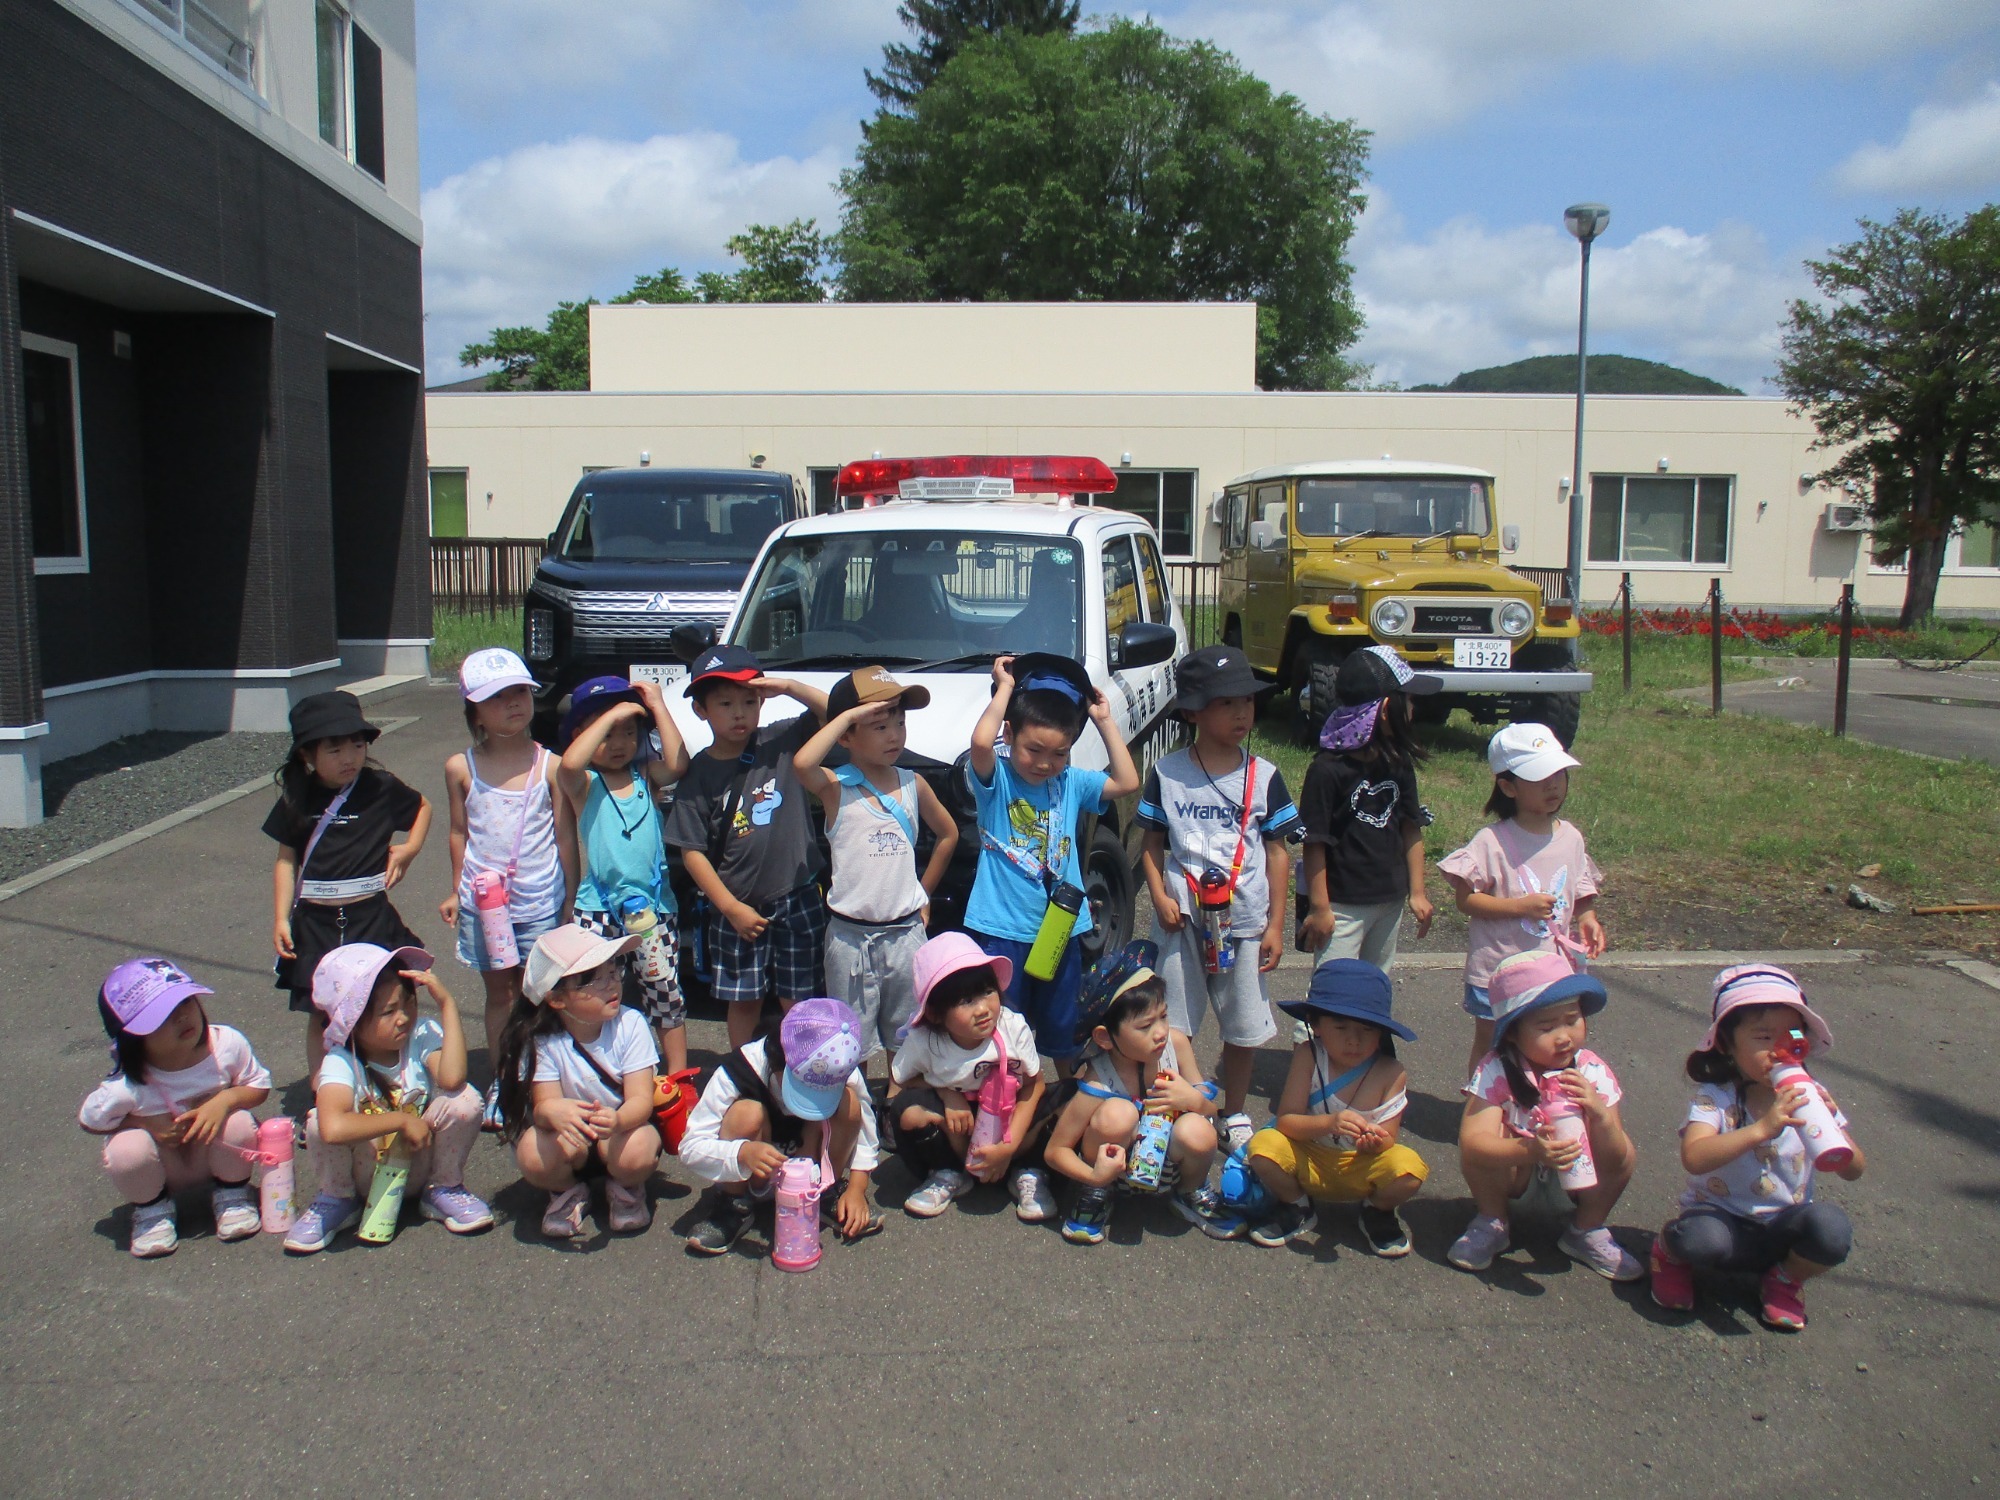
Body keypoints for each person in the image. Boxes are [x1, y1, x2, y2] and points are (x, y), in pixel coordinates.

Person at [1137, 644, 1300, 1153]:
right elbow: (1151, 844)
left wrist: (1275, 925)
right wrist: (1160, 895)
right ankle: (1171, 1102)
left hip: (1245, 923)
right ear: (1193, 711)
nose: (1241, 713)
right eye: (1226, 703)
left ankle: (1233, 1112)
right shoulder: (1167, 772)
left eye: (1247, 702)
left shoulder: (1265, 775)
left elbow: (1277, 853)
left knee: (1244, 1026)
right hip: (1182, 920)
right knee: (1173, 1022)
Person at [1650, 966, 1866, 1330]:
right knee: (1702, 1242)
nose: (1780, 1050)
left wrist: (1833, 1127)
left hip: (1782, 1224)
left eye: (1791, 1035)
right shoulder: (1716, 1098)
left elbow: (1855, 1169)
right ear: (1726, 1044)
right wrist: (1761, 1129)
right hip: (1721, 1220)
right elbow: (1695, 1157)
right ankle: (1670, 1253)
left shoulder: (1808, 1094)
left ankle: (1785, 1278)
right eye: (1764, 1037)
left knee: (1831, 1230)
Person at [965, 652, 1141, 1069]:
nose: (1045, 763)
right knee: (1005, 1034)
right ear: (1009, 735)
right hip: (1000, 931)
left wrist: (1103, 719)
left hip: (1061, 930)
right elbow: (979, 742)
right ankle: (1009, 1109)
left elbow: (1127, 780)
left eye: (1059, 753)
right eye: (1034, 749)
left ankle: (1063, 1104)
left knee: (1063, 1032)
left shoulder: (1072, 782)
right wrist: (1005, 688)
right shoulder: (999, 780)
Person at [661, 644, 831, 1049]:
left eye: (748, 701)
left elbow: (836, 713)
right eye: (724, 703)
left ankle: (805, 1071)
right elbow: (691, 851)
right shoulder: (699, 772)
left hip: (797, 894)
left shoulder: (782, 739)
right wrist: (730, 908)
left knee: (800, 996)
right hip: (736, 904)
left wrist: (787, 686)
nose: (739, 713)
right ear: (701, 710)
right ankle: (743, 1073)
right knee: (743, 1000)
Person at [793, 666, 959, 1069]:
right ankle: (859, 1113)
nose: (895, 735)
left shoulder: (912, 783)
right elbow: (802, 763)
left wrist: (925, 893)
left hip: (906, 934)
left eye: (899, 723)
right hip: (850, 940)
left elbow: (948, 835)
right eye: (879, 725)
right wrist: (846, 717)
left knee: (907, 1039)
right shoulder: (835, 787)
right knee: (849, 1040)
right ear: (846, 735)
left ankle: (896, 1109)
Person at [283, 943, 492, 1253]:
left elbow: (452, 1078)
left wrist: (448, 1006)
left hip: (418, 1160)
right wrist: (401, 1119)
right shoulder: (342, 1060)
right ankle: (337, 1199)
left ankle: (443, 1188)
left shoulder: (420, 1036)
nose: (404, 1017)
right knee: (317, 1122)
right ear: (351, 1020)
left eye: (409, 1003)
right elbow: (333, 1129)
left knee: (465, 1099)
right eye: (389, 1011)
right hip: (366, 1173)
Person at [1449, 949, 1642, 1280]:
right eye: (1546, 1026)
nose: (1564, 1036)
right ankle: (1492, 1220)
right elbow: (1472, 1143)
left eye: (1572, 1019)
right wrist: (1531, 1149)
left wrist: (1599, 1114)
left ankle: (1586, 1229)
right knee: (1486, 1141)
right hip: (1517, 1175)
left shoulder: (1591, 1070)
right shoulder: (1497, 1069)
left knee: (1625, 1150)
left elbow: (1614, 1158)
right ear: (1512, 1031)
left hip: (1578, 1180)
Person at [440, 647, 574, 1122]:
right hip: (484, 905)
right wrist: (457, 888)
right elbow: (460, 832)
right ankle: (506, 1080)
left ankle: (546, 1081)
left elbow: (563, 835)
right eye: (497, 697)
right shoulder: (461, 767)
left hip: (540, 901)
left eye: (520, 692)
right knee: (500, 995)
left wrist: (569, 899)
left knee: (540, 994)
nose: (513, 703)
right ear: (473, 709)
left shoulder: (551, 765)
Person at [266, 690, 430, 1077]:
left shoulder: (380, 787)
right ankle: (324, 1095)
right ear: (308, 755)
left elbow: (424, 806)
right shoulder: (297, 797)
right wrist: (279, 919)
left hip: (371, 915)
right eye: (335, 749)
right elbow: (286, 861)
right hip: (315, 922)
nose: (350, 757)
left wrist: (409, 849)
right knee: (322, 1012)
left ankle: (395, 1082)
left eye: (357, 745)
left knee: (389, 999)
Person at [1440, 722, 1606, 1078]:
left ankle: (1534, 1108)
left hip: (1550, 970)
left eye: (1559, 773)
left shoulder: (1571, 837)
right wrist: (1519, 907)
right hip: (1498, 969)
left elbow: (1579, 886)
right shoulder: (1492, 841)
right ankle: (1481, 1107)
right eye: (1540, 777)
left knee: (1544, 1042)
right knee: (1491, 1043)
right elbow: (1467, 900)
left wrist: (1587, 918)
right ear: (1507, 786)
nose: (1554, 784)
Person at [79, 959, 272, 1258]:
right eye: (163, 1015)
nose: (182, 1015)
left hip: (210, 1154)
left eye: (187, 1001)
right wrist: (142, 1123)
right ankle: (152, 1210)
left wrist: (225, 1100)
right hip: (164, 1165)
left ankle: (232, 1194)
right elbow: (91, 1120)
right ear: (132, 1038)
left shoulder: (225, 1045)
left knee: (239, 1122)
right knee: (126, 1150)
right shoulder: (127, 1084)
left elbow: (258, 1086)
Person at [1240, 958, 1428, 1255]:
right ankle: (1296, 1204)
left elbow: (1389, 1138)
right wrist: (1329, 1124)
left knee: (1410, 1168)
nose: (1353, 1040)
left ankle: (1376, 1210)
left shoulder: (1391, 1071)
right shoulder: (1309, 1055)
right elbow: (1286, 1120)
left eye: (1366, 1029)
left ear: (1381, 1032)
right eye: (1341, 1027)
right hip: (1310, 1158)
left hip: (1358, 1164)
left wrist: (1374, 1142)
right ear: (1316, 1025)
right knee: (1264, 1146)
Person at [1043, 943, 1226, 1245]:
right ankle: (1097, 1195)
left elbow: (1210, 1110)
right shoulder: (1101, 1076)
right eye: (1144, 1026)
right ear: (1104, 1037)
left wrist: (1193, 1100)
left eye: (1163, 1017)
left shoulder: (1175, 1047)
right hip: (1113, 1170)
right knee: (1118, 1114)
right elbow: (1055, 1150)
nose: (1160, 1032)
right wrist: (1095, 1177)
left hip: (1166, 1167)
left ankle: (1189, 1191)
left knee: (1199, 1131)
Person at [494, 924, 664, 1240]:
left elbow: (641, 1099)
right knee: (531, 1149)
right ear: (557, 999)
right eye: (594, 980)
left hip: (619, 1135)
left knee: (639, 1147)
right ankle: (567, 1191)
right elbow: (545, 1105)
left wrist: (618, 1119)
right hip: (571, 1143)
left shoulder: (631, 1023)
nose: (611, 984)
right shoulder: (542, 1040)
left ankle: (625, 1187)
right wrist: (554, 1113)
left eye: (613, 972)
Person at [557, 674, 692, 1072]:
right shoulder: (582, 782)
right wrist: (616, 711)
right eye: (606, 733)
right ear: (582, 734)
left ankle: (679, 1077)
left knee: (664, 992)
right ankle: (601, 1069)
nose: (618, 744)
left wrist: (656, 706)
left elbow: (678, 763)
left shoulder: (645, 776)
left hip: (653, 908)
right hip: (597, 907)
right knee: (593, 992)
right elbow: (569, 760)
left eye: (628, 733)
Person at [680, 997, 885, 1256]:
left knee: (850, 1104)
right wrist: (741, 1153)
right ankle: (734, 1204)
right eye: (802, 1090)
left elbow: (866, 1128)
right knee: (747, 1113)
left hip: (809, 1169)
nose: (808, 1100)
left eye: (819, 1094)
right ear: (778, 1061)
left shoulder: (838, 1068)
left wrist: (857, 1188)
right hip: (754, 1172)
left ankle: (825, 1192)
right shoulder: (739, 1069)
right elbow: (689, 1147)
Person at [889, 932, 1053, 1222]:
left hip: (1009, 1118)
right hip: (960, 1126)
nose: (982, 1009)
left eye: (988, 991)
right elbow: (903, 1079)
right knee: (906, 1109)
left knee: (1065, 1098)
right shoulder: (926, 1040)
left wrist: (1008, 1147)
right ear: (937, 1014)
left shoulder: (1012, 1027)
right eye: (965, 1001)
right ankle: (947, 1172)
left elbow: (1034, 1084)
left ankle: (1026, 1171)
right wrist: (947, 1094)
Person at [1296, 646, 1436, 977]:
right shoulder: (1326, 770)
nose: (1413, 708)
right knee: (1334, 988)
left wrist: (1417, 891)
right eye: (1409, 700)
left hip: (1390, 900)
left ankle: (1368, 1031)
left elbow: (1410, 828)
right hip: (1341, 906)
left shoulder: (1398, 764)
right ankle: (1314, 1031)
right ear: (1387, 709)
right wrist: (1319, 907)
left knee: (1376, 982)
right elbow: (1314, 842)